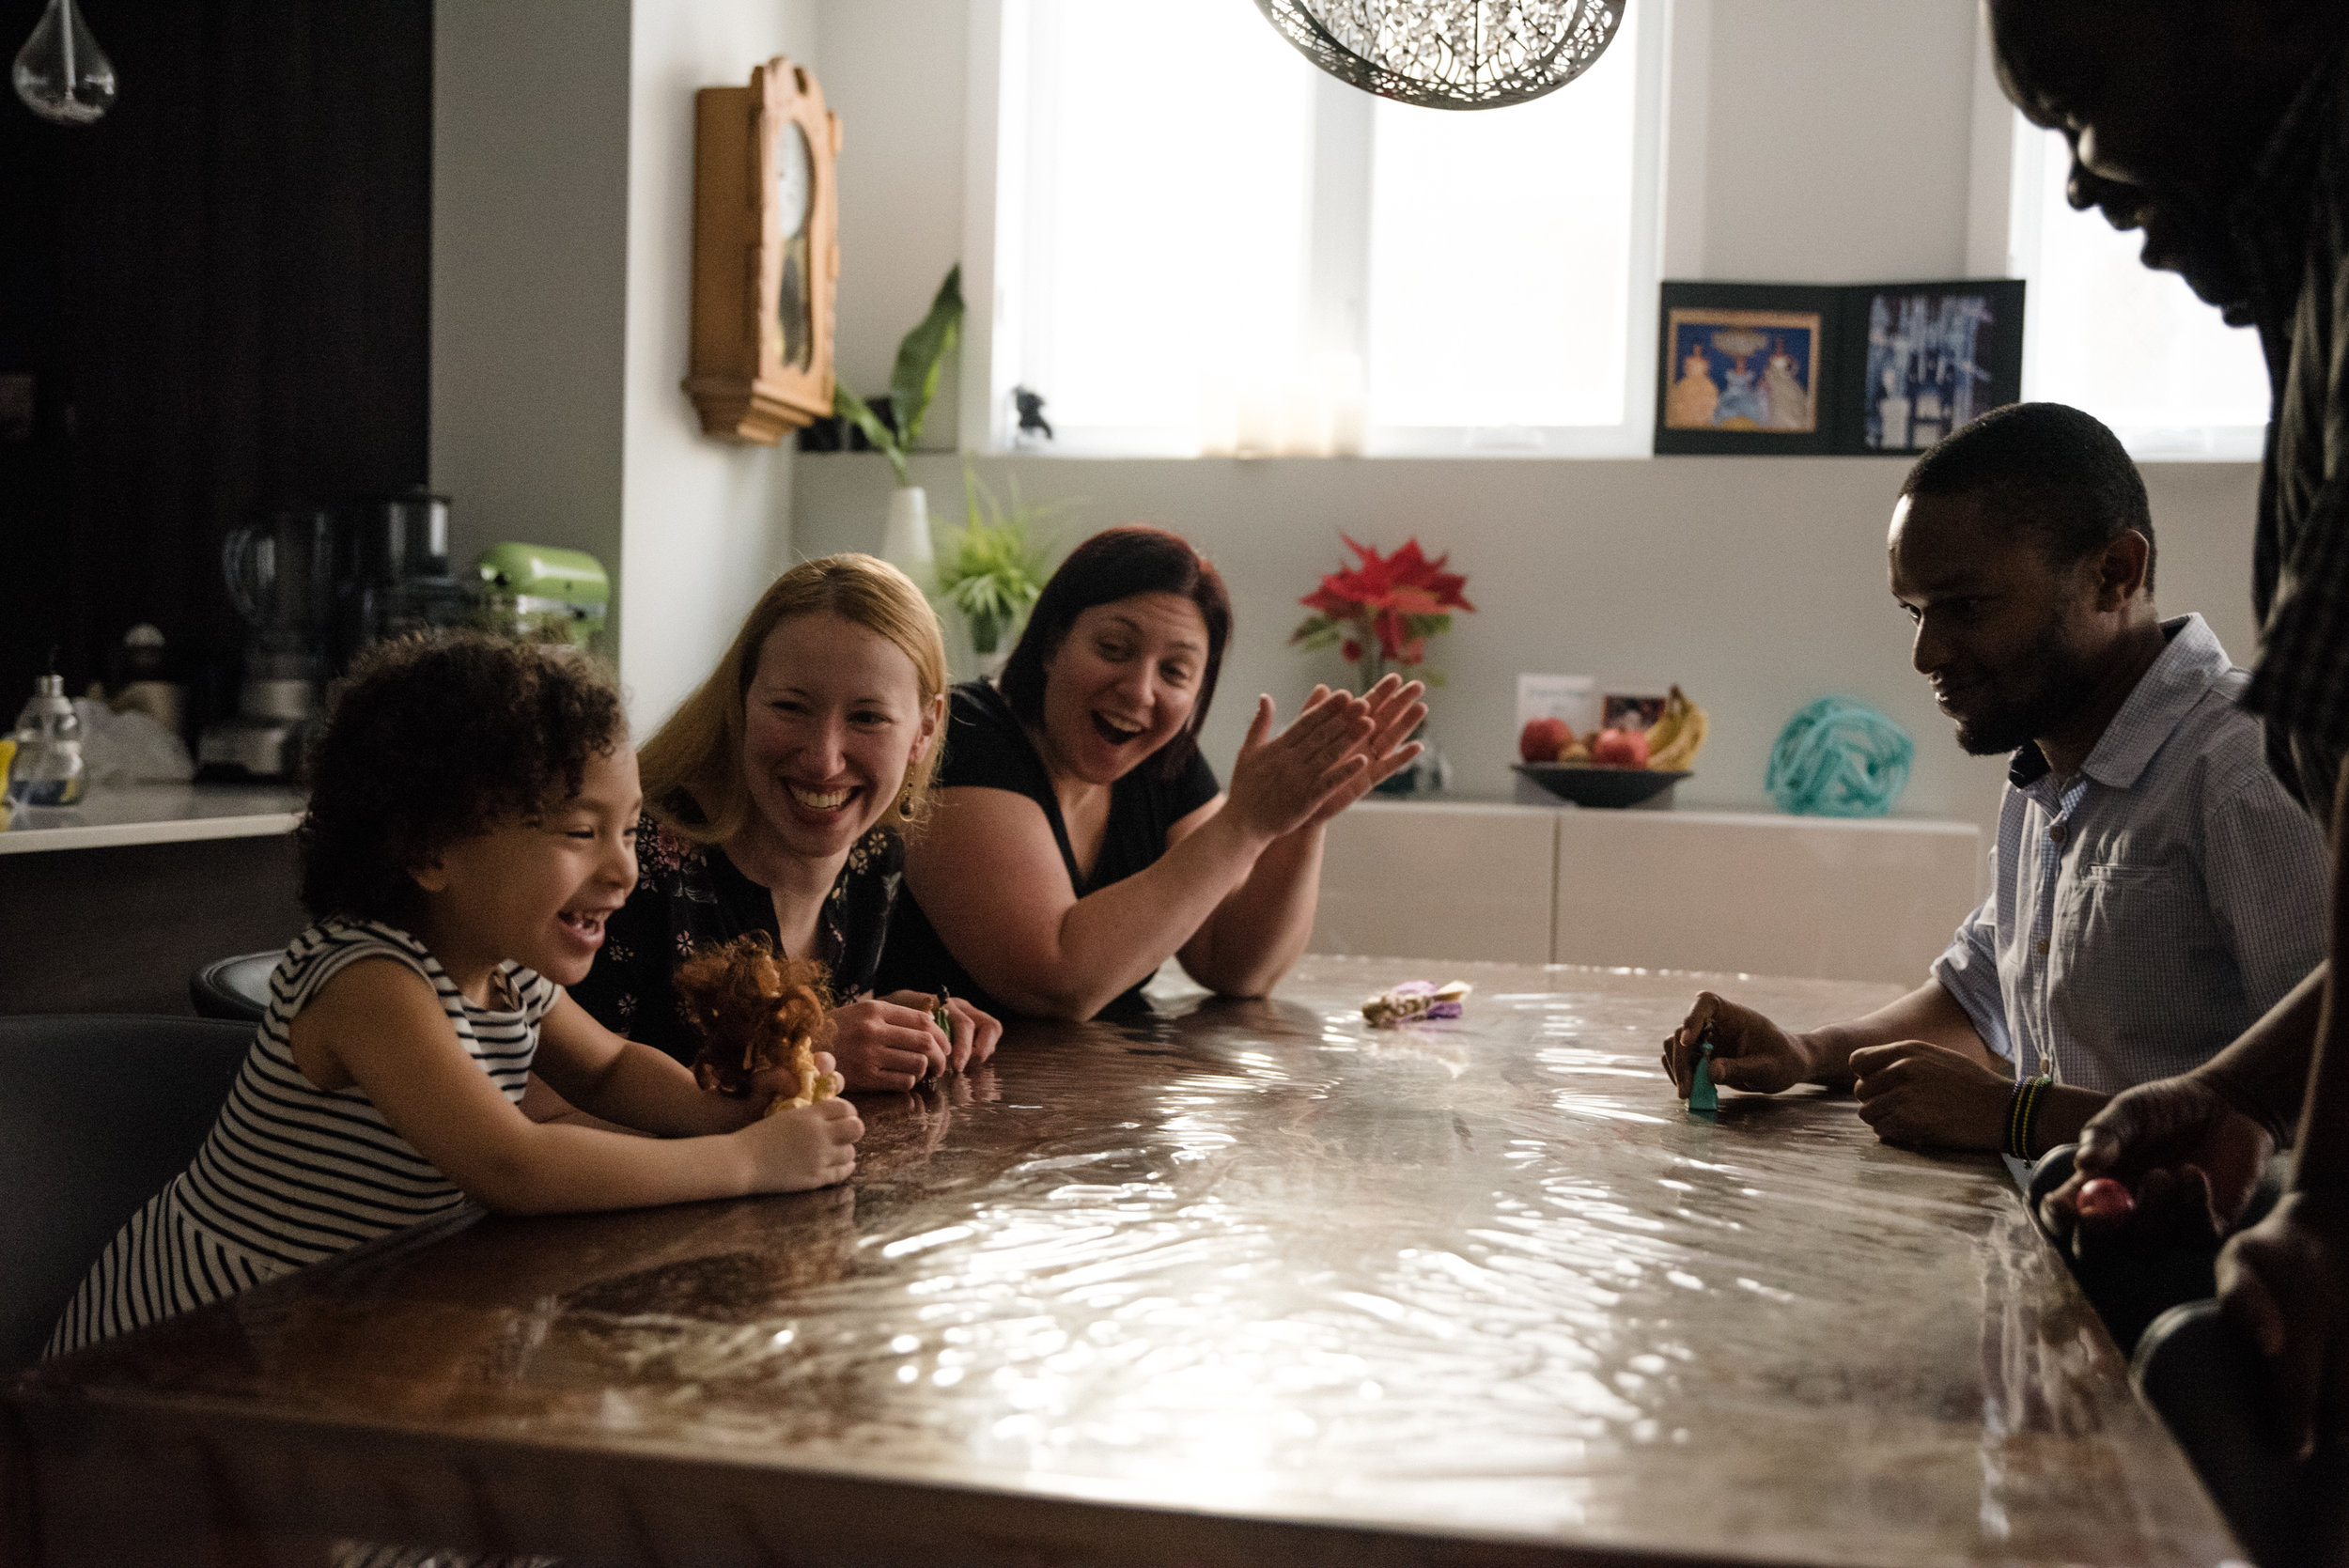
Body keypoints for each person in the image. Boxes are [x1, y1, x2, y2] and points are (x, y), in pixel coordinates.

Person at [47, 632, 863, 1358]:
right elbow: (515, 1164)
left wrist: (726, 1108)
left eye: (628, 828)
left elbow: (609, 1069)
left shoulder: (508, 972)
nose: (624, 869)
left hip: (356, 1323)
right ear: (431, 850)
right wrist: (743, 1161)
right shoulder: (369, 981)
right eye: (581, 832)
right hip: (199, 1344)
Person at [1990, 0, 2349, 1457]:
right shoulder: (2304, 273)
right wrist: (2215, 1088)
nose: (2073, 178)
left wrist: (2324, 1191)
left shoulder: (2214, 766)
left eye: (2077, 95)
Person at [1661, 404, 2326, 1168]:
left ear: (2115, 573)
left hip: (2204, 1279)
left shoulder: (2248, 768)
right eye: (1914, 611)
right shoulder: (2046, 771)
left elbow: (2322, 1090)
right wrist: (1804, 1052)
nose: (1926, 652)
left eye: (1965, 607)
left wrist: (2018, 1116)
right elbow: (1974, 1002)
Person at [876, 525, 1424, 1021]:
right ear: (1052, 644)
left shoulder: (1164, 763)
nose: (1140, 691)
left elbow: (1236, 968)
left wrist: (1303, 820)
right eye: (1114, 649)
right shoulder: (964, 734)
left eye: (1175, 671)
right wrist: (1245, 824)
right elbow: (1057, 981)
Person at [568, 555, 1003, 1094]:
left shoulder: (875, 854)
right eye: (791, 707)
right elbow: (555, 1109)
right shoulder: (637, 859)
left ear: (925, 727)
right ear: (742, 702)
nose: (824, 760)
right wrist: (807, 1050)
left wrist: (897, 1026)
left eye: (867, 717)